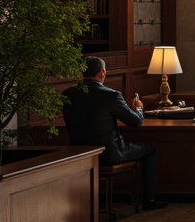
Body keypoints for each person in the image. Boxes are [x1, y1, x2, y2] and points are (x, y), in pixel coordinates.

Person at [61, 56, 167, 210]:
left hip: (80, 154)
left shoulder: (68, 94)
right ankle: (149, 200)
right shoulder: (111, 95)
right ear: (103, 72)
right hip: (109, 154)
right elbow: (135, 121)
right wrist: (138, 108)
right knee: (150, 149)